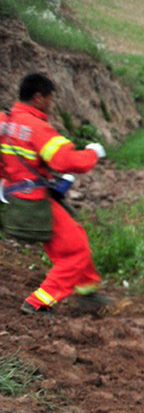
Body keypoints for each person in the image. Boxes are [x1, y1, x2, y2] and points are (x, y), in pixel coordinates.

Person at [1, 73, 110, 315]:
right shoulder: (37, 127)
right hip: (36, 202)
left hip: (18, 199)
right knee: (75, 252)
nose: (50, 104)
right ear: (38, 97)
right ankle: (39, 302)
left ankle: (88, 292)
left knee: (76, 239)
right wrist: (93, 153)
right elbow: (66, 161)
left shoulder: (4, 120)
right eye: (49, 98)